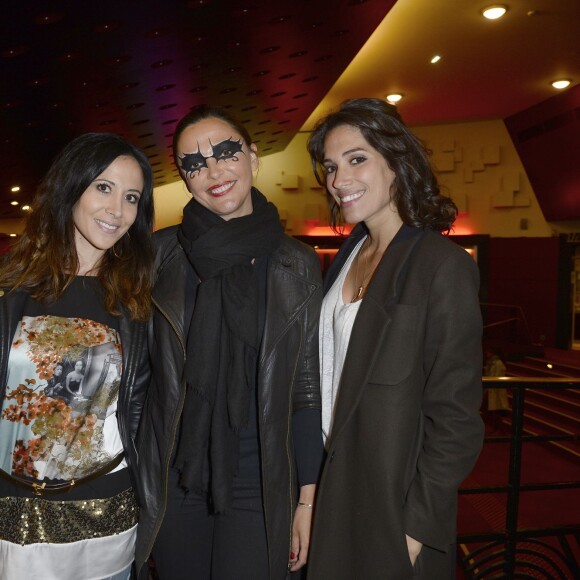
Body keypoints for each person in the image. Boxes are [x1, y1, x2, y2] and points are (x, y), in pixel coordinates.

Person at [135, 105, 324, 580]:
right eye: (194, 164)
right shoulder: (159, 255)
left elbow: (306, 389)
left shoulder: (297, 263)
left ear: (254, 159)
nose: (213, 171)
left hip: (259, 479)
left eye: (224, 153)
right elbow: (138, 378)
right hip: (177, 475)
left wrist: (307, 497)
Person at [305, 98, 484, 579]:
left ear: (397, 162)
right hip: (333, 491)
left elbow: (456, 416)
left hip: (393, 508)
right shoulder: (345, 256)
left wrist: (416, 529)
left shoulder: (441, 266)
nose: (339, 180)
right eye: (330, 166)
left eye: (357, 159)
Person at [0, 132, 154, 580]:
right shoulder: (12, 288)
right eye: (103, 187)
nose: (117, 210)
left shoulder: (139, 301)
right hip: (12, 514)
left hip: (106, 514)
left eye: (131, 197)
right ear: (72, 187)